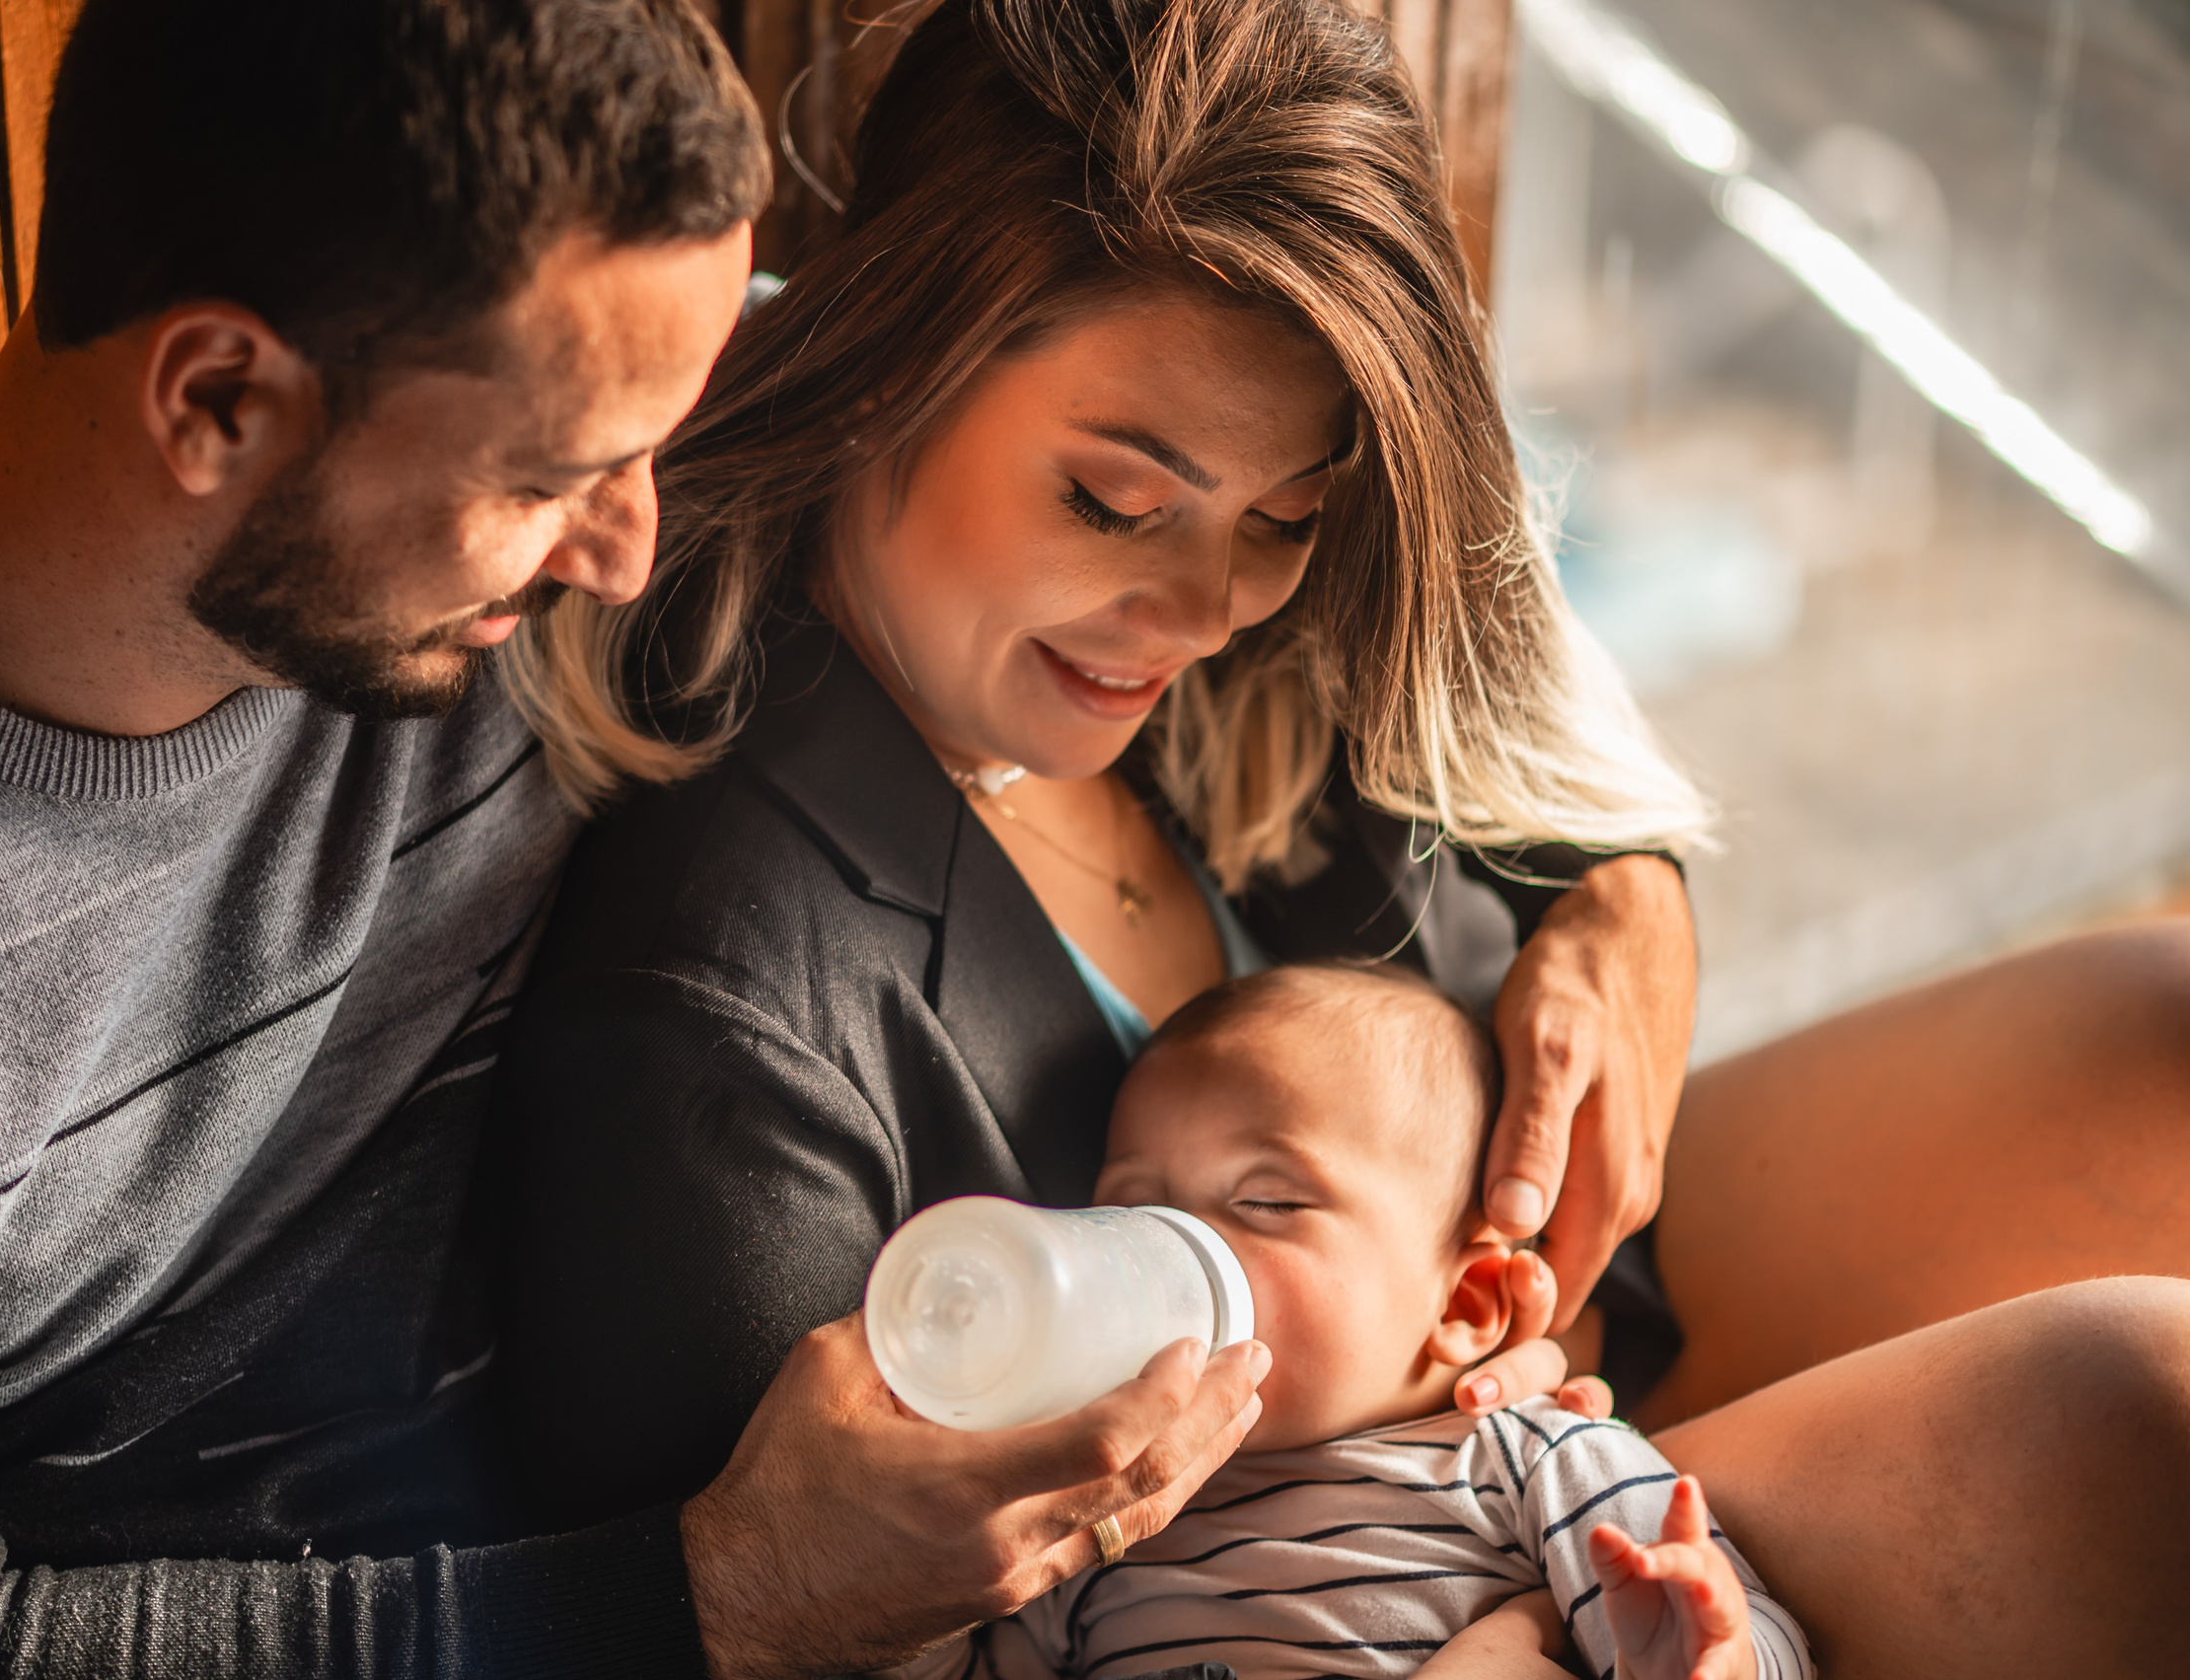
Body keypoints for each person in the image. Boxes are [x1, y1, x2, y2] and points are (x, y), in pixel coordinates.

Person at [487, 0, 2190, 1674]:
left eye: (1280, 518)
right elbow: (831, 1605)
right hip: (1345, 1572)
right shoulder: (729, 1020)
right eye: (1114, 501)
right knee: (2135, 1426)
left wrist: (1624, 898)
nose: (1202, 609)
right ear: (888, 352)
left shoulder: (1254, 619)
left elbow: (1522, 771)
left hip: (1578, 1316)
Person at [0, 0, 1359, 1673]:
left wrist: (1621, 885)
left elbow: (1163, 452)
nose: (637, 544)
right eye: (563, 478)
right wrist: (730, 1592)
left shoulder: (555, 373)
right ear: (215, 402)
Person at [900, 962, 1812, 1680]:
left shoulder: (1526, 1459)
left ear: (1463, 1303)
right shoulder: (1112, 1513)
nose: (1179, 1246)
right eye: (1133, 1211)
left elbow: (1745, 1627)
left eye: (1264, 1199)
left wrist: (1708, 1656)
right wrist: (921, 1604)